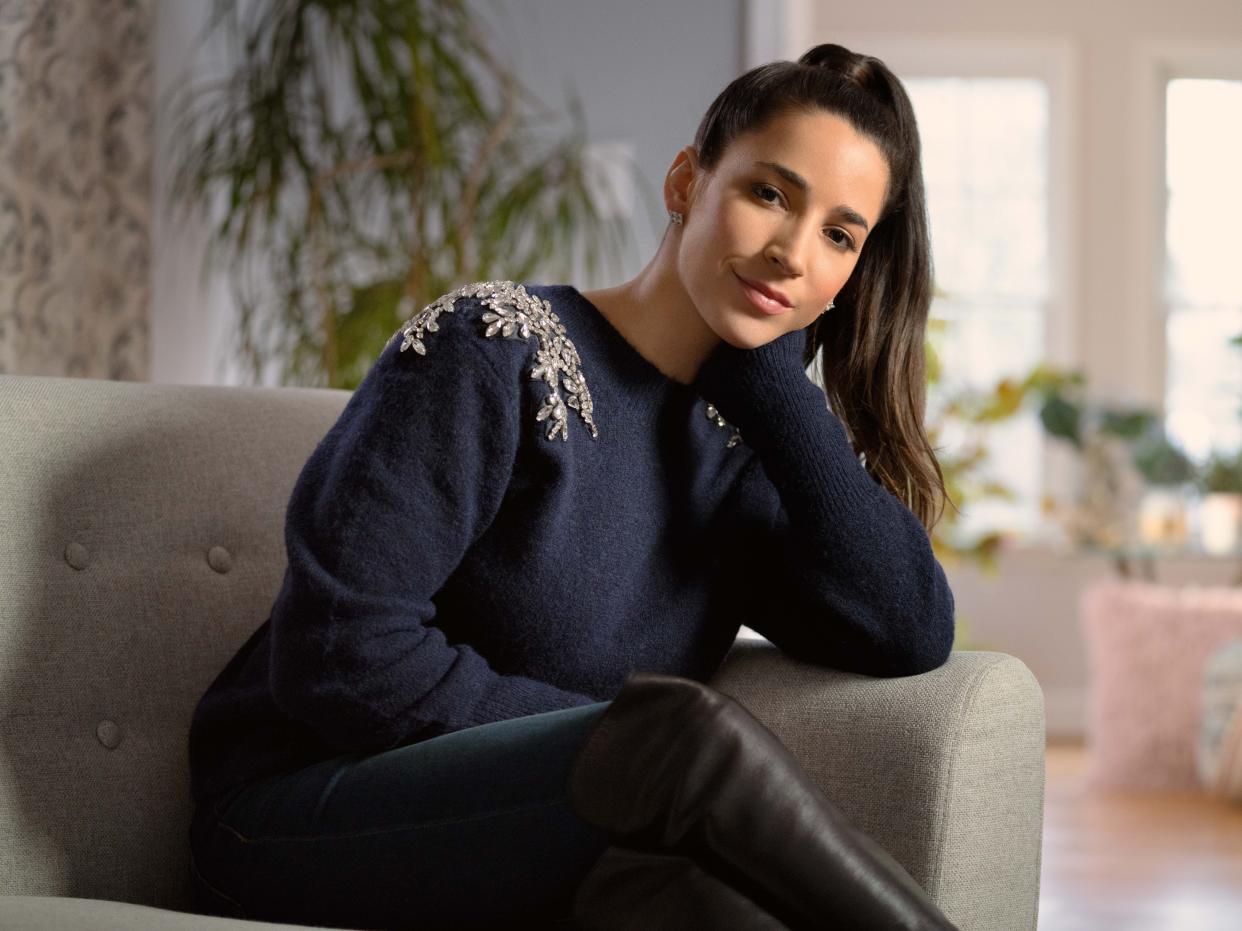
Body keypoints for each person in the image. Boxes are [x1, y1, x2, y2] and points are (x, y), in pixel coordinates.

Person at [187, 42, 961, 930]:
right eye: (769, 193)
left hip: (551, 841)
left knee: (724, 911)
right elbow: (336, 648)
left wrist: (776, 388)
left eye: (838, 235)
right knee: (677, 733)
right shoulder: (490, 349)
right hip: (293, 817)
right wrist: (616, 742)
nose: (792, 252)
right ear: (685, 181)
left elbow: (908, 628)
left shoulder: (736, 451)